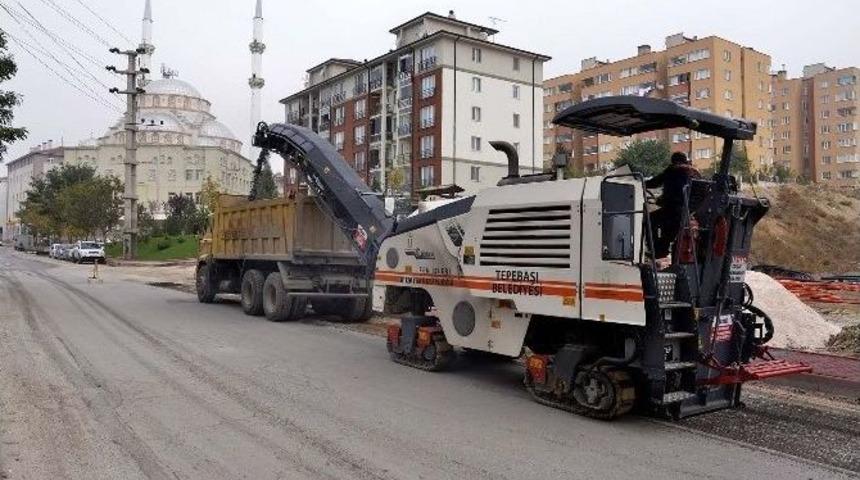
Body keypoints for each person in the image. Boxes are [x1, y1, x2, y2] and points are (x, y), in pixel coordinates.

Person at [645, 151, 701, 259]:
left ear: (673, 162)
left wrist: (641, 183)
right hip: (687, 212)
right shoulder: (693, 173)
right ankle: (661, 250)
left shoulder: (673, 171)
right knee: (667, 231)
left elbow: (655, 182)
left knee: (649, 219)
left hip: (673, 211)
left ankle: (657, 250)